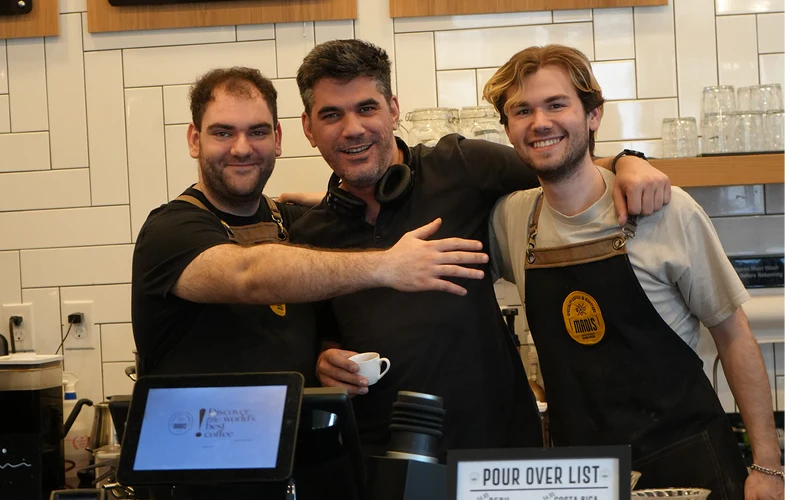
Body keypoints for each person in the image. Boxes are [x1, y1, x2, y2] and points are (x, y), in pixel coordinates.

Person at [287, 39, 672, 460]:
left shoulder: (460, 166)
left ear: (392, 110)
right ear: (308, 128)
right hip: (382, 463)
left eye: (366, 108)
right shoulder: (309, 236)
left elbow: (562, 164)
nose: (352, 128)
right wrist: (325, 359)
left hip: (497, 454)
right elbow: (323, 334)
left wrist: (628, 161)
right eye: (331, 115)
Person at [485, 44, 785, 500]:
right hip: (584, 478)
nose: (540, 122)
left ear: (593, 115)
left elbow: (734, 335)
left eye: (556, 104)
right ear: (508, 129)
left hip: (687, 466)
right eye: (522, 110)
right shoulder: (511, 219)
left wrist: (767, 466)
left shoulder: (667, 209)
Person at [131, 66, 490, 379]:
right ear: (195, 140)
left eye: (258, 132)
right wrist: (386, 266)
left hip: (290, 434)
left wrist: (324, 357)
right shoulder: (169, 231)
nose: (242, 148)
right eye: (223, 133)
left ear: (277, 139)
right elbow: (249, 275)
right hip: (197, 434)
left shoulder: (294, 222)